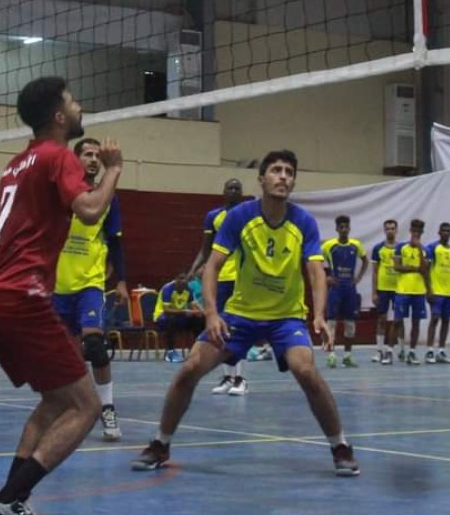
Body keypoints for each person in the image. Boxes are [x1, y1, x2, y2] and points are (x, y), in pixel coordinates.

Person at [131, 150, 359, 477]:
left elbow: (315, 270)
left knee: (306, 371)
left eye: (289, 172)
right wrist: (212, 314)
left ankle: (341, 447)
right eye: (276, 170)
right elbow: (212, 266)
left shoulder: (303, 222)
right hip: (240, 315)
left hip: (286, 317)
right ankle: (159, 443)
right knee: (190, 368)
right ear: (262, 179)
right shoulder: (240, 217)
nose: (283, 176)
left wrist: (319, 314)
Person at [0, 77, 123, 515]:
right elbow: (90, 211)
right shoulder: (57, 156)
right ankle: (3, 507)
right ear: (58, 116)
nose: (80, 106)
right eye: (73, 102)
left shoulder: (16, 163)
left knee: (55, 401)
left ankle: (12, 498)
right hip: (20, 294)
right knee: (87, 405)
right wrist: (112, 169)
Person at [53, 137, 128, 442]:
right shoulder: (61, 194)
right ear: (76, 159)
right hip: (57, 286)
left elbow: (117, 244)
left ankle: (107, 408)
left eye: (98, 155)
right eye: (87, 154)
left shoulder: (108, 198)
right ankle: (67, 407)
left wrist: (121, 280)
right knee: (63, 356)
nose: (94, 159)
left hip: (90, 285)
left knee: (94, 346)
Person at [189, 178, 249, 395]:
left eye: (237, 188)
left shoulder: (247, 216)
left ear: (242, 193)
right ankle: (227, 377)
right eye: (230, 187)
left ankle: (241, 379)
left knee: (236, 327)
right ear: (223, 191)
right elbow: (205, 249)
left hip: (240, 279)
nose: (234, 190)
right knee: (219, 328)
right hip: (219, 279)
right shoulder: (213, 217)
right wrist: (194, 267)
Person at [322, 215, 368, 369]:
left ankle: (347, 356)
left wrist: (359, 278)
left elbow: (366, 260)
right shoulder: (328, 245)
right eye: (340, 227)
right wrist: (326, 277)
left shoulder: (356, 245)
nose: (343, 230)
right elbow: (314, 261)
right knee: (331, 323)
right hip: (335, 289)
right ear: (336, 229)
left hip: (350, 289)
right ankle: (331, 355)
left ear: (349, 228)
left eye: (345, 227)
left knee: (350, 324)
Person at [393, 219, 430, 365]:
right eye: (414, 230)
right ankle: (390, 351)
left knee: (416, 323)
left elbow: (424, 269)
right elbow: (397, 267)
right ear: (410, 231)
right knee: (397, 321)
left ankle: (412, 352)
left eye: (419, 231)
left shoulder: (425, 250)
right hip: (403, 290)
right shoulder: (401, 247)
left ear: (421, 232)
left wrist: (419, 248)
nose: (416, 233)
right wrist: (413, 268)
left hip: (419, 291)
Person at [425, 222, 450, 364]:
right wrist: (429, 290)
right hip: (436, 291)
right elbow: (426, 270)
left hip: (448, 292)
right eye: (443, 230)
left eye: (448, 231)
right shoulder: (432, 248)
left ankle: (441, 351)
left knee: (446, 321)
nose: (445, 233)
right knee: (434, 319)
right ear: (439, 232)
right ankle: (429, 351)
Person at [370, 219, 400, 365]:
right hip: (383, 289)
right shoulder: (378, 249)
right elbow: (374, 272)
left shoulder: (401, 248)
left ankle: (399, 349)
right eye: (387, 228)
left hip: (399, 289)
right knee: (381, 319)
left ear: (396, 230)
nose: (390, 231)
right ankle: (379, 350)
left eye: (392, 228)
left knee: (398, 320)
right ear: (384, 230)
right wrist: (374, 292)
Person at [155, 273, 205, 361]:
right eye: (181, 280)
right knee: (171, 320)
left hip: (179, 317)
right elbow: (167, 310)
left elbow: (193, 305)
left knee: (199, 320)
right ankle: (170, 352)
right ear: (176, 280)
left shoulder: (188, 289)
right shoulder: (168, 288)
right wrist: (185, 311)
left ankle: (197, 350)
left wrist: (199, 313)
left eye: (184, 281)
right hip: (162, 318)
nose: (183, 283)